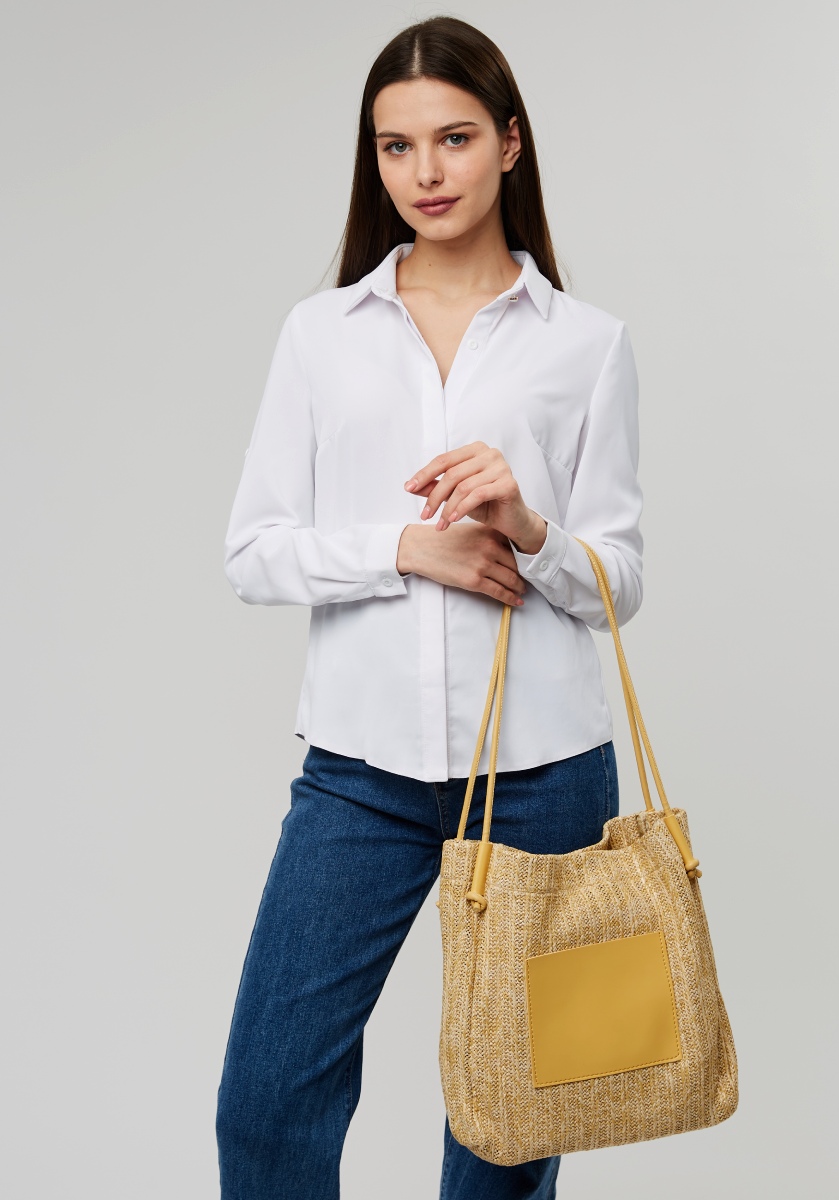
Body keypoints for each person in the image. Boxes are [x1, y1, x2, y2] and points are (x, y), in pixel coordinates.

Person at [216, 15, 644, 1199]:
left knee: (510, 1130)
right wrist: (410, 551)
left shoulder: (587, 345)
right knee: (267, 1101)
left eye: (454, 138)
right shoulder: (321, 334)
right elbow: (252, 552)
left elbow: (621, 580)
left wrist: (528, 530)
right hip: (360, 772)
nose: (426, 172)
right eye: (396, 147)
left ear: (510, 142)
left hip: (546, 778)